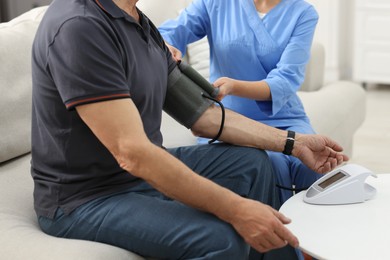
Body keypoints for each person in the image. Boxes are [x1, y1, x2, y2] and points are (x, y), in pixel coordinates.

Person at [31, 0, 348, 259]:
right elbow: (133, 153)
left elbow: (204, 117)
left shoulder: (140, 23)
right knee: (224, 239)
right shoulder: (79, 27)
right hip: (86, 197)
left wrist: (292, 142)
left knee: (252, 163)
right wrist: (236, 209)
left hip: (135, 175)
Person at [159, 0, 321, 203]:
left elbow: (286, 79)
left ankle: (314, 228)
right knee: (273, 163)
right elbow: (173, 30)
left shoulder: (303, 13)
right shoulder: (216, 3)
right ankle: (278, 229)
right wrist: (166, 44)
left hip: (284, 115)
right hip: (229, 118)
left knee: (312, 162)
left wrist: (234, 86)